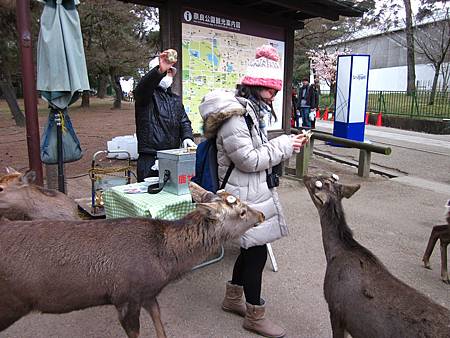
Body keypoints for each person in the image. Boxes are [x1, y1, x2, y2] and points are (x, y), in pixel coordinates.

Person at [199, 45, 308, 338]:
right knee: (257, 252)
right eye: (268, 90)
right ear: (253, 86)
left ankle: (233, 299)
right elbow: (248, 160)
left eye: (275, 91)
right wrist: (286, 145)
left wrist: (284, 144)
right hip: (242, 194)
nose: (272, 96)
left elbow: (257, 153)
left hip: (252, 191)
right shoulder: (236, 117)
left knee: (250, 249)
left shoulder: (251, 112)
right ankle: (255, 315)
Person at [133, 49, 195, 182]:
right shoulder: (146, 96)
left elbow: (184, 121)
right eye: (165, 72)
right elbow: (143, 88)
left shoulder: (175, 99)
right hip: (150, 158)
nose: (168, 75)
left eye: (170, 72)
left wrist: (187, 137)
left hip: (172, 157)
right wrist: (159, 71)